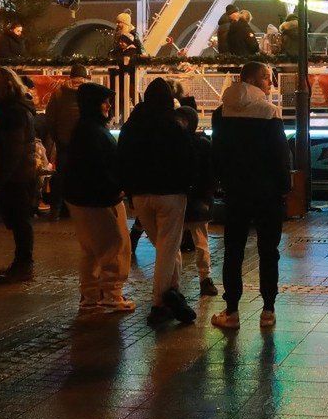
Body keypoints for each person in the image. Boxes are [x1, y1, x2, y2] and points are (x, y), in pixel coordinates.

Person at [209, 63, 291, 330]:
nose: (271, 83)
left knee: (233, 250)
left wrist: (223, 181)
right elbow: (280, 156)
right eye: (267, 78)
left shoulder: (221, 113)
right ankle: (268, 310)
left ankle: (231, 310)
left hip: (236, 192)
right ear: (253, 79)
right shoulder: (269, 113)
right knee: (269, 251)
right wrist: (284, 188)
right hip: (267, 194)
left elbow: (218, 152)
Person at [117, 78, 198, 326]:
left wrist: (129, 190)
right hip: (171, 194)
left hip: (141, 196)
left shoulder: (131, 126)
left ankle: (174, 293)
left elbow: (122, 158)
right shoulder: (173, 125)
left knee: (164, 248)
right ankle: (159, 303)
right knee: (167, 249)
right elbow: (187, 159)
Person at [59, 83, 134, 316]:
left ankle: (90, 296)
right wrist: (117, 188)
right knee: (114, 247)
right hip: (99, 200)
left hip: (80, 199)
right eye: (105, 101)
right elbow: (101, 168)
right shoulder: (94, 131)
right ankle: (112, 295)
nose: (109, 105)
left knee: (90, 251)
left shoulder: (83, 129)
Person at [0, 67, 42, 285]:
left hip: (18, 176)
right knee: (18, 221)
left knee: (20, 221)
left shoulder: (13, 111)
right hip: (19, 173)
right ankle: (21, 263)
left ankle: (23, 265)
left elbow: (12, 149)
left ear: (5, 84)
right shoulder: (11, 109)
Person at [176, 107, 218, 300]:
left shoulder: (178, 144)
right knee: (201, 241)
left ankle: (174, 282)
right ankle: (205, 279)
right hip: (198, 201)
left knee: (181, 243)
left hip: (185, 200)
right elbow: (211, 175)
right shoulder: (203, 143)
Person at [43, 64, 88, 221]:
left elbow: (50, 118)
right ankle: (82, 211)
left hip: (64, 141)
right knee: (83, 175)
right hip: (85, 142)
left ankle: (56, 210)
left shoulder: (59, 92)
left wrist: (57, 137)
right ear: (85, 76)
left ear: (70, 76)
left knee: (62, 176)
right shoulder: (89, 91)